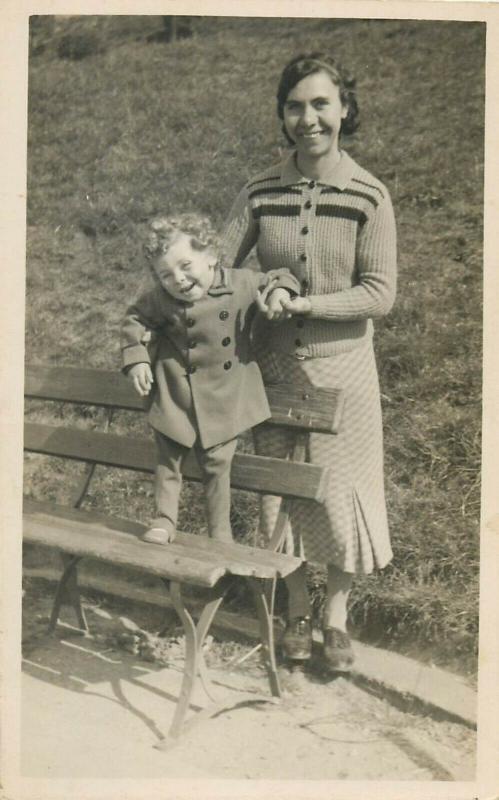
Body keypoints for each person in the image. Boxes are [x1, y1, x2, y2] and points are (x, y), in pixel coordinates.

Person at [222, 53, 397, 671]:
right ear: (282, 115)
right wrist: (262, 281)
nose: (308, 118)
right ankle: (296, 608)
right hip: (274, 374)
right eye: (295, 106)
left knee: (339, 495)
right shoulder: (260, 191)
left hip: (343, 372)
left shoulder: (368, 194)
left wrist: (305, 300)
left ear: (344, 108)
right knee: (283, 496)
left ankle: (337, 619)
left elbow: (380, 293)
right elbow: (220, 270)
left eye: (321, 103)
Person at [120, 213, 300, 545]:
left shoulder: (239, 284)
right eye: (166, 275)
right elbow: (135, 318)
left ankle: (220, 532)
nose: (179, 279)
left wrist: (279, 293)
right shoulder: (161, 300)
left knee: (218, 466)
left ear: (212, 256)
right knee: (168, 457)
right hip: (176, 391)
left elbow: (281, 276)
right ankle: (164, 518)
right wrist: (136, 358)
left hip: (223, 395)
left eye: (186, 265)